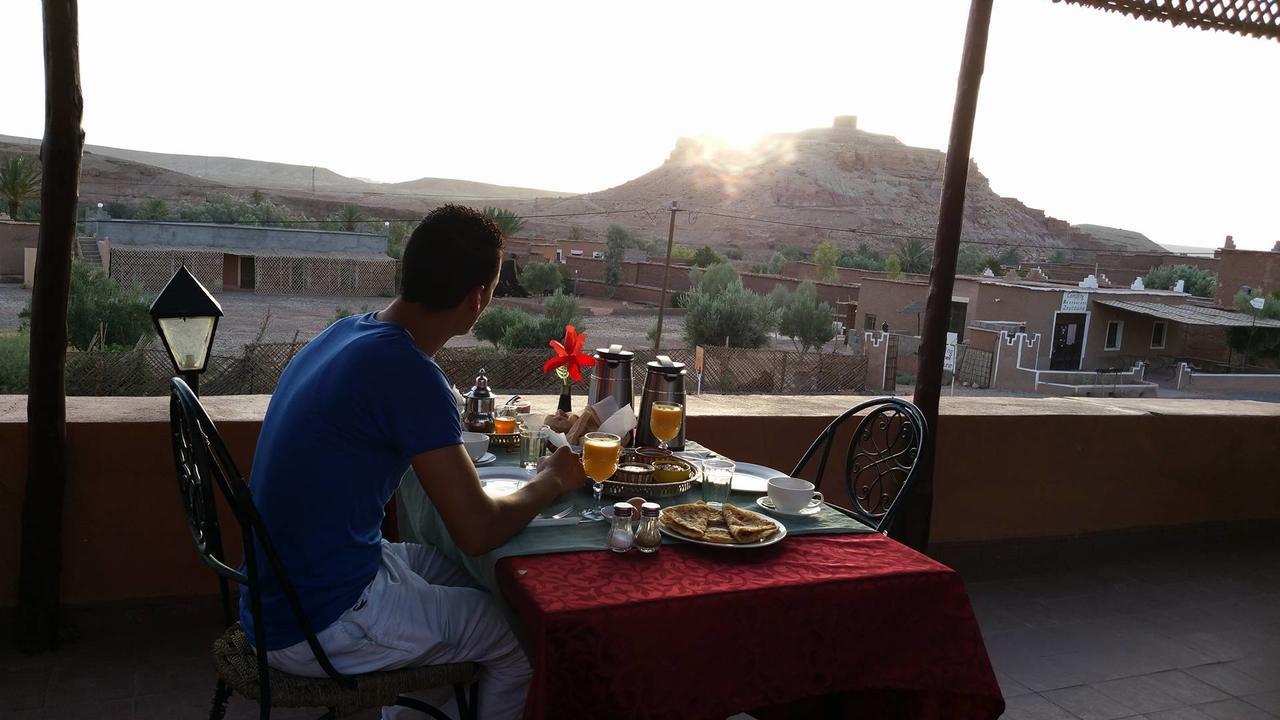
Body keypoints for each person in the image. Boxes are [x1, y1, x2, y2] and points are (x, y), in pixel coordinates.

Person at [242, 204, 587, 720]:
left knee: (473, 580)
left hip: (282, 588)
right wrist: (555, 478)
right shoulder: (406, 371)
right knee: (515, 640)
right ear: (478, 299)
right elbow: (477, 529)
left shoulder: (349, 332)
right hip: (319, 617)